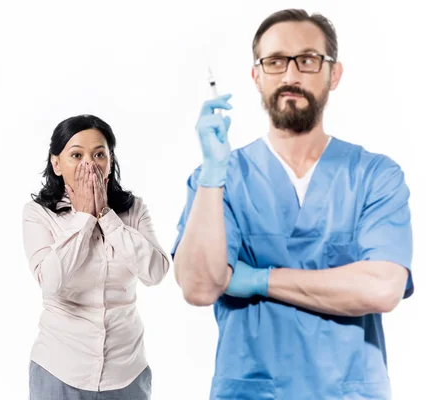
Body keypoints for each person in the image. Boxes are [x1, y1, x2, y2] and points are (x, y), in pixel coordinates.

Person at [172, 9, 413, 400]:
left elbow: (383, 287)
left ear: (333, 74)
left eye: (307, 60)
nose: (290, 76)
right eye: (275, 61)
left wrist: (258, 279)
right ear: (257, 76)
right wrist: (213, 173)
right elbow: (199, 287)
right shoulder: (221, 179)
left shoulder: (374, 176)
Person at [23, 114, 170, 400]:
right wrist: (83, 218)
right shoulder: (38, 213)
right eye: (76, 155)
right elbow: (50, 281)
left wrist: (106, 216)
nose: (88, 164)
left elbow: (156, 272)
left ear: (110, 161)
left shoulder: (133, 210)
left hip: (126, 372)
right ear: (56, 163)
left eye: (99, 154)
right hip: (60, 369)